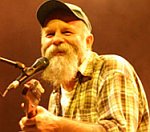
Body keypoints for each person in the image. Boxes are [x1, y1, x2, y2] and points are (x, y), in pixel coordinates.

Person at [19, 0, 150, 131]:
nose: (56, 39)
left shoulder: (112, 68)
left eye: (66, 32)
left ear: (88, 42)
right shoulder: (57, 93)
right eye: (50, 34)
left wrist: (58, 125)